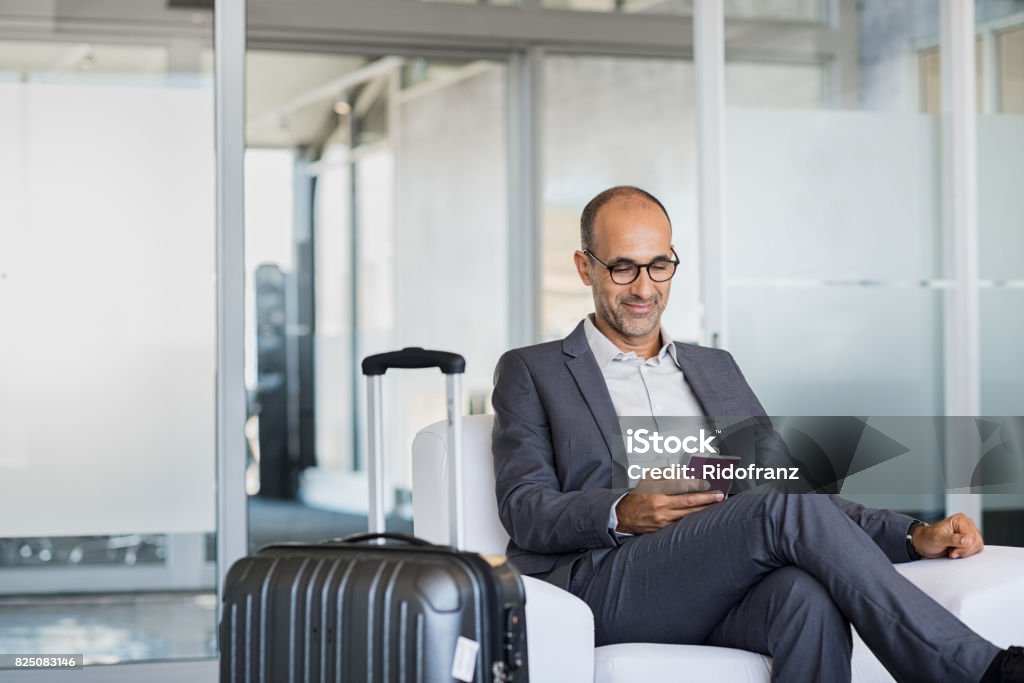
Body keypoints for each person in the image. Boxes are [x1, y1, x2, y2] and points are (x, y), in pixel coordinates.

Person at [490, 186, 1023, 683]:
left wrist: (911, 536)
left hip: (711, 579)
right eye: (623, 268)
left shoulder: (714, 368)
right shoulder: (534, 370)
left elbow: (790, 494)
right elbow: (524, 507)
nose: (645, 288)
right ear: (586, 267)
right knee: (774, 512)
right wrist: (622, 509)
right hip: (604, 585)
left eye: (659, 265)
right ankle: (973, 668)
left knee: (805, 596)